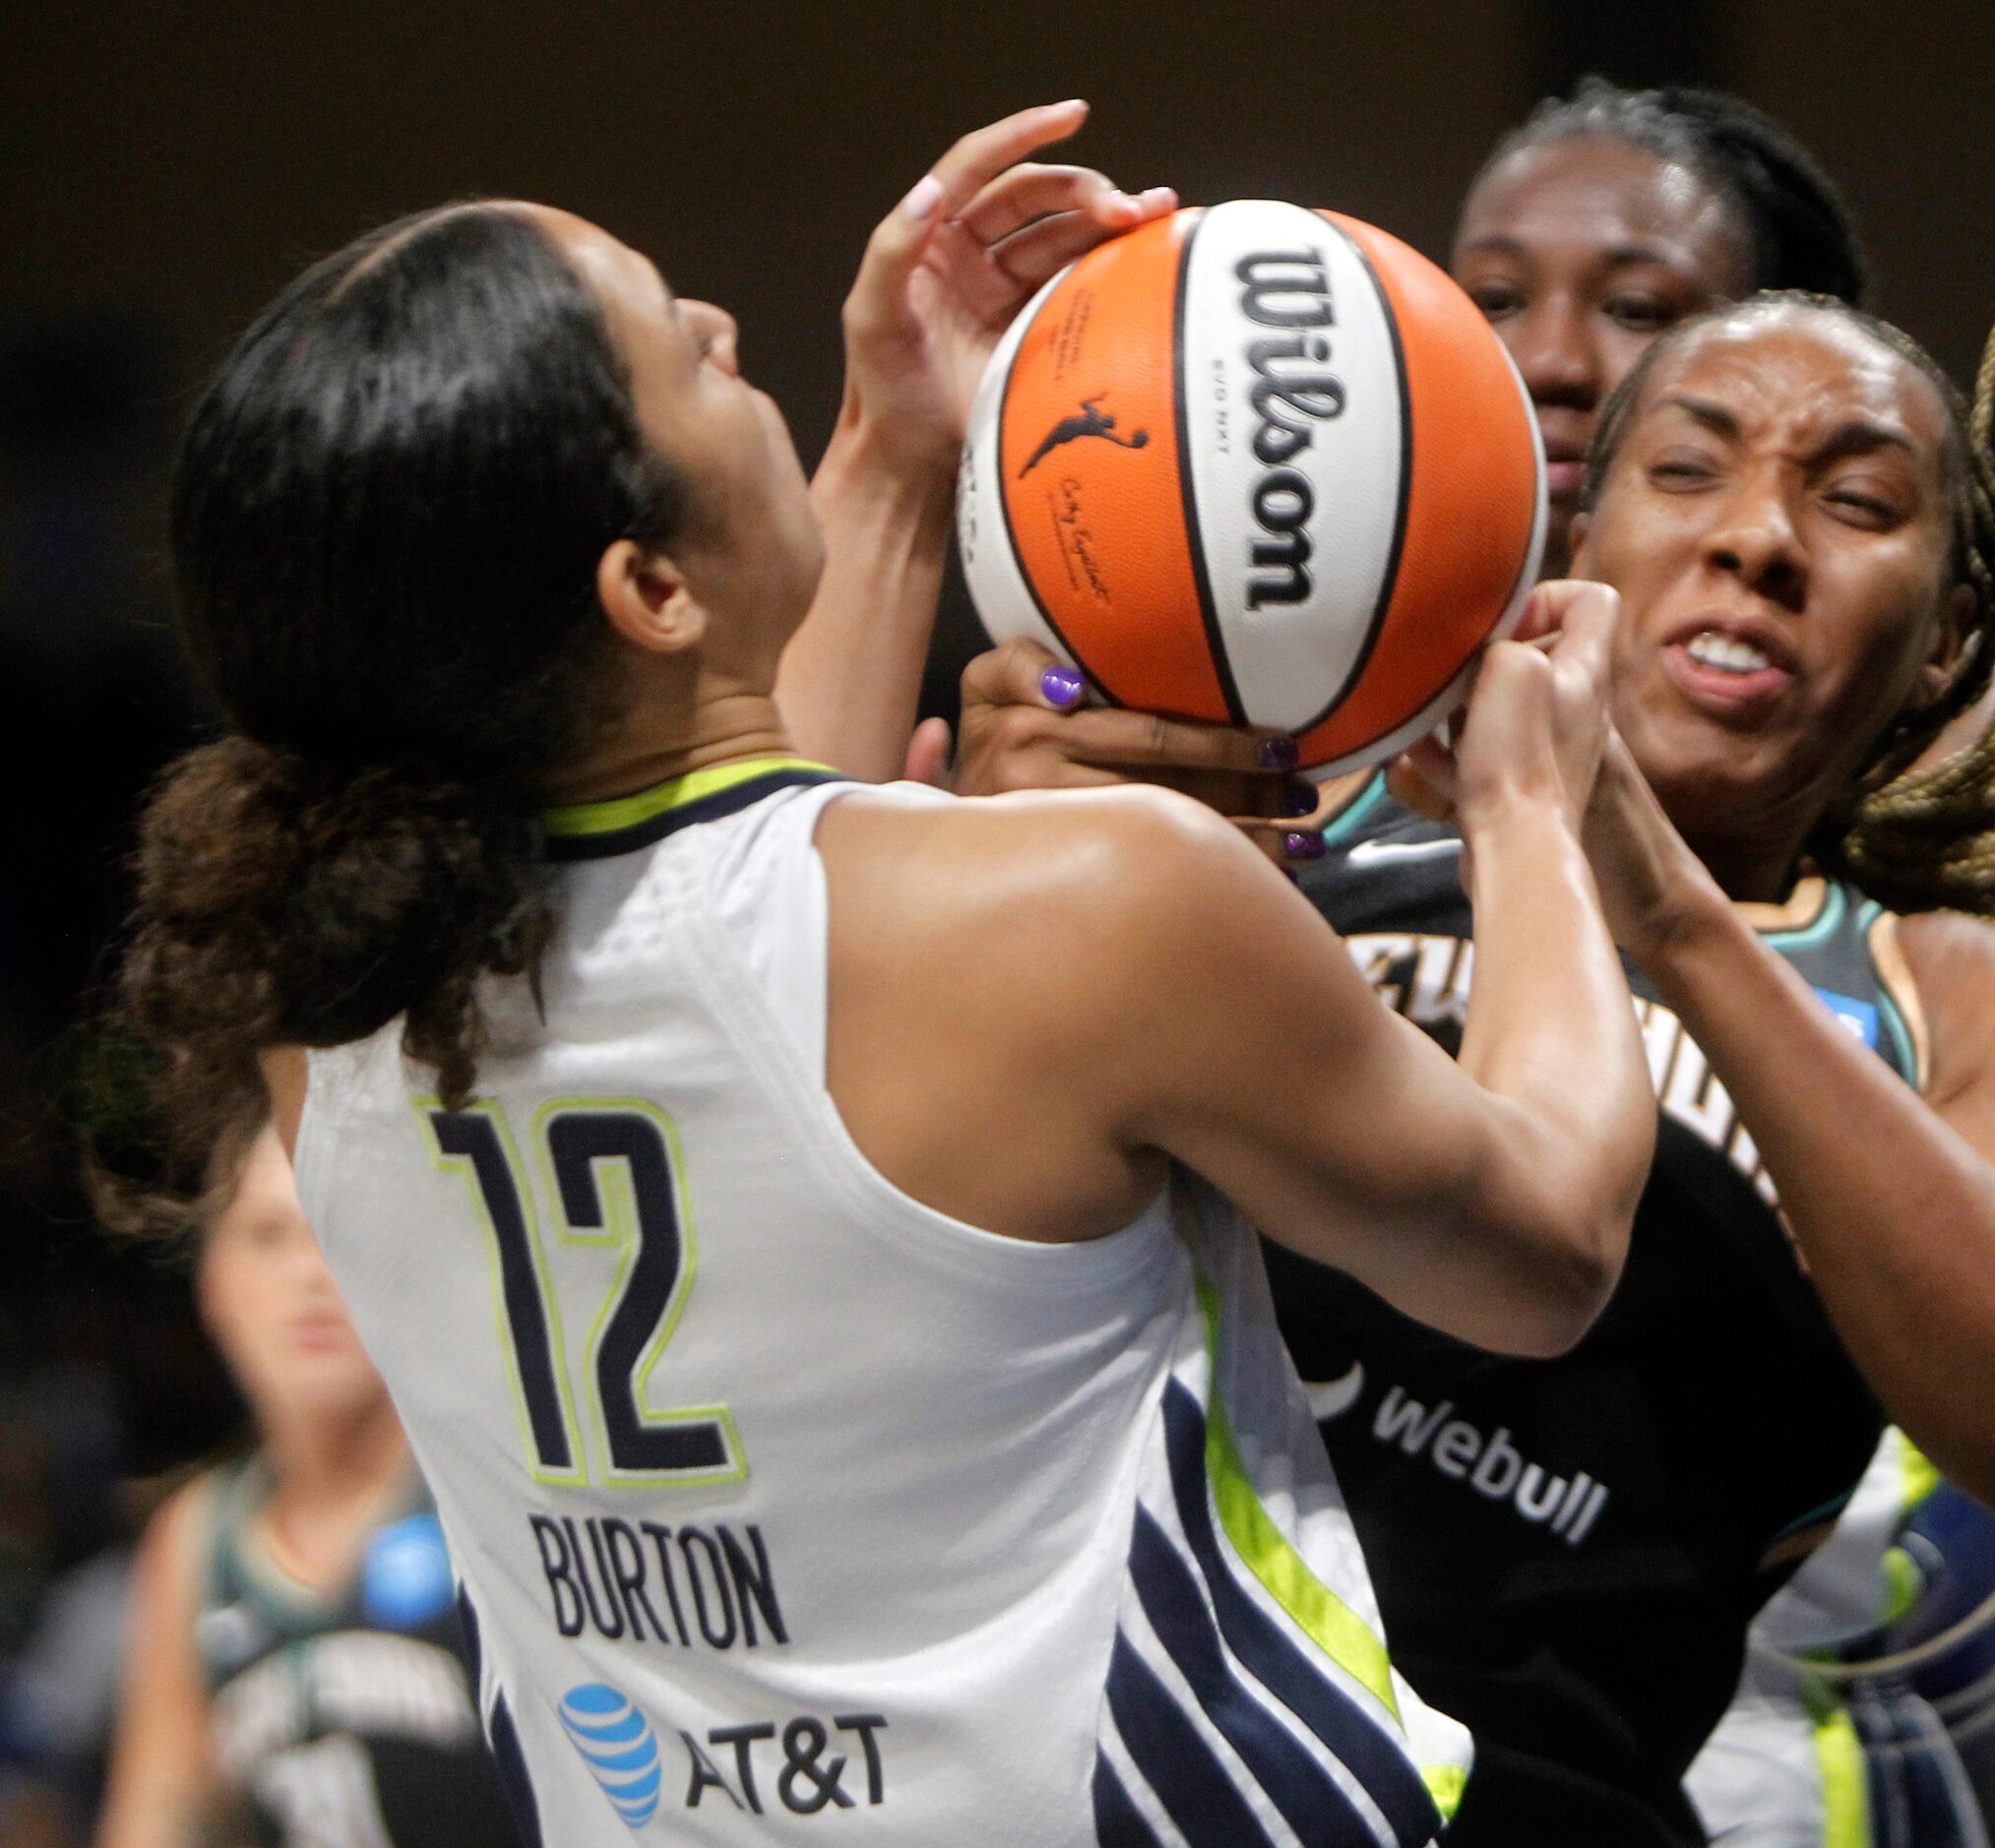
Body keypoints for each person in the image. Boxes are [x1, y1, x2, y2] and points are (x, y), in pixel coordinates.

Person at [105, 101, 1662, 1847]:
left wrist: (897, 442)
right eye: (677, 340)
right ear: (648, 585)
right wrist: (1532, 801)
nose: (721, 329)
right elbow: (1546, 1246)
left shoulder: (336, 1029)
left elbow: (744, 890)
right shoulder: (1082, 910)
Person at [918, 282, 1995, 1845]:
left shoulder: (1949, 986)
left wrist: (1672, 910)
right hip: (1116, 1737)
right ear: (1577, 550)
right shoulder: (1305, 814)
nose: (1759, 540)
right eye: (1689, 469)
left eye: (1854, 501)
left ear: (1945, 649)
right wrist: (998, 852)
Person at [97, 1130, 515, 1848]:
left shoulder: (493, 1492)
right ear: (214, 1285)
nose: (309, 1275)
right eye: (266, 1238)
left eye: (336, 1229)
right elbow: (156, 1818)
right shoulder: (199, 1541)